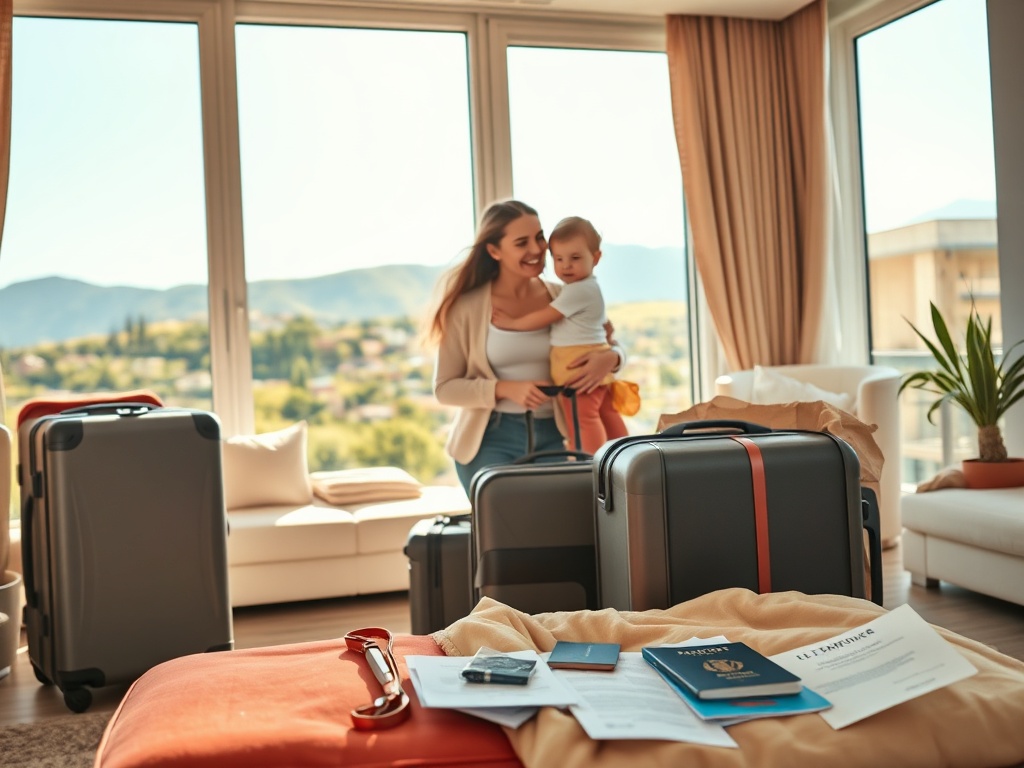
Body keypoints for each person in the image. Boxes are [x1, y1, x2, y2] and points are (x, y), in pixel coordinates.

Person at [427, 200, 624, 494]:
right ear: (494, 251)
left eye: (539, 237)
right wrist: (506, 389)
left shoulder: (565, 294)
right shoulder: (466, 308)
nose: (537, 249)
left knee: (568, 519)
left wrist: (613, 358)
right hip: (490, 440)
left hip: (558, 435)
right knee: (507, 522)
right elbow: (445, 388)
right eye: (522, 243)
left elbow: (609, 340)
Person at [491, 216, 637, 454]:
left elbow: (544, 317)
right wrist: (611, 349)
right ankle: (624, 455)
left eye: (575, 258)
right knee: (606, 412)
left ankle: (589, 463)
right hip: (591, 358)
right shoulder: (583, 288)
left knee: (583, 418)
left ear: (596, 258)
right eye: (558, 259)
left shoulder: (575, 292)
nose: (566, 266)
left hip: (577, 365)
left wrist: (513, 323)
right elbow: (607, 331)